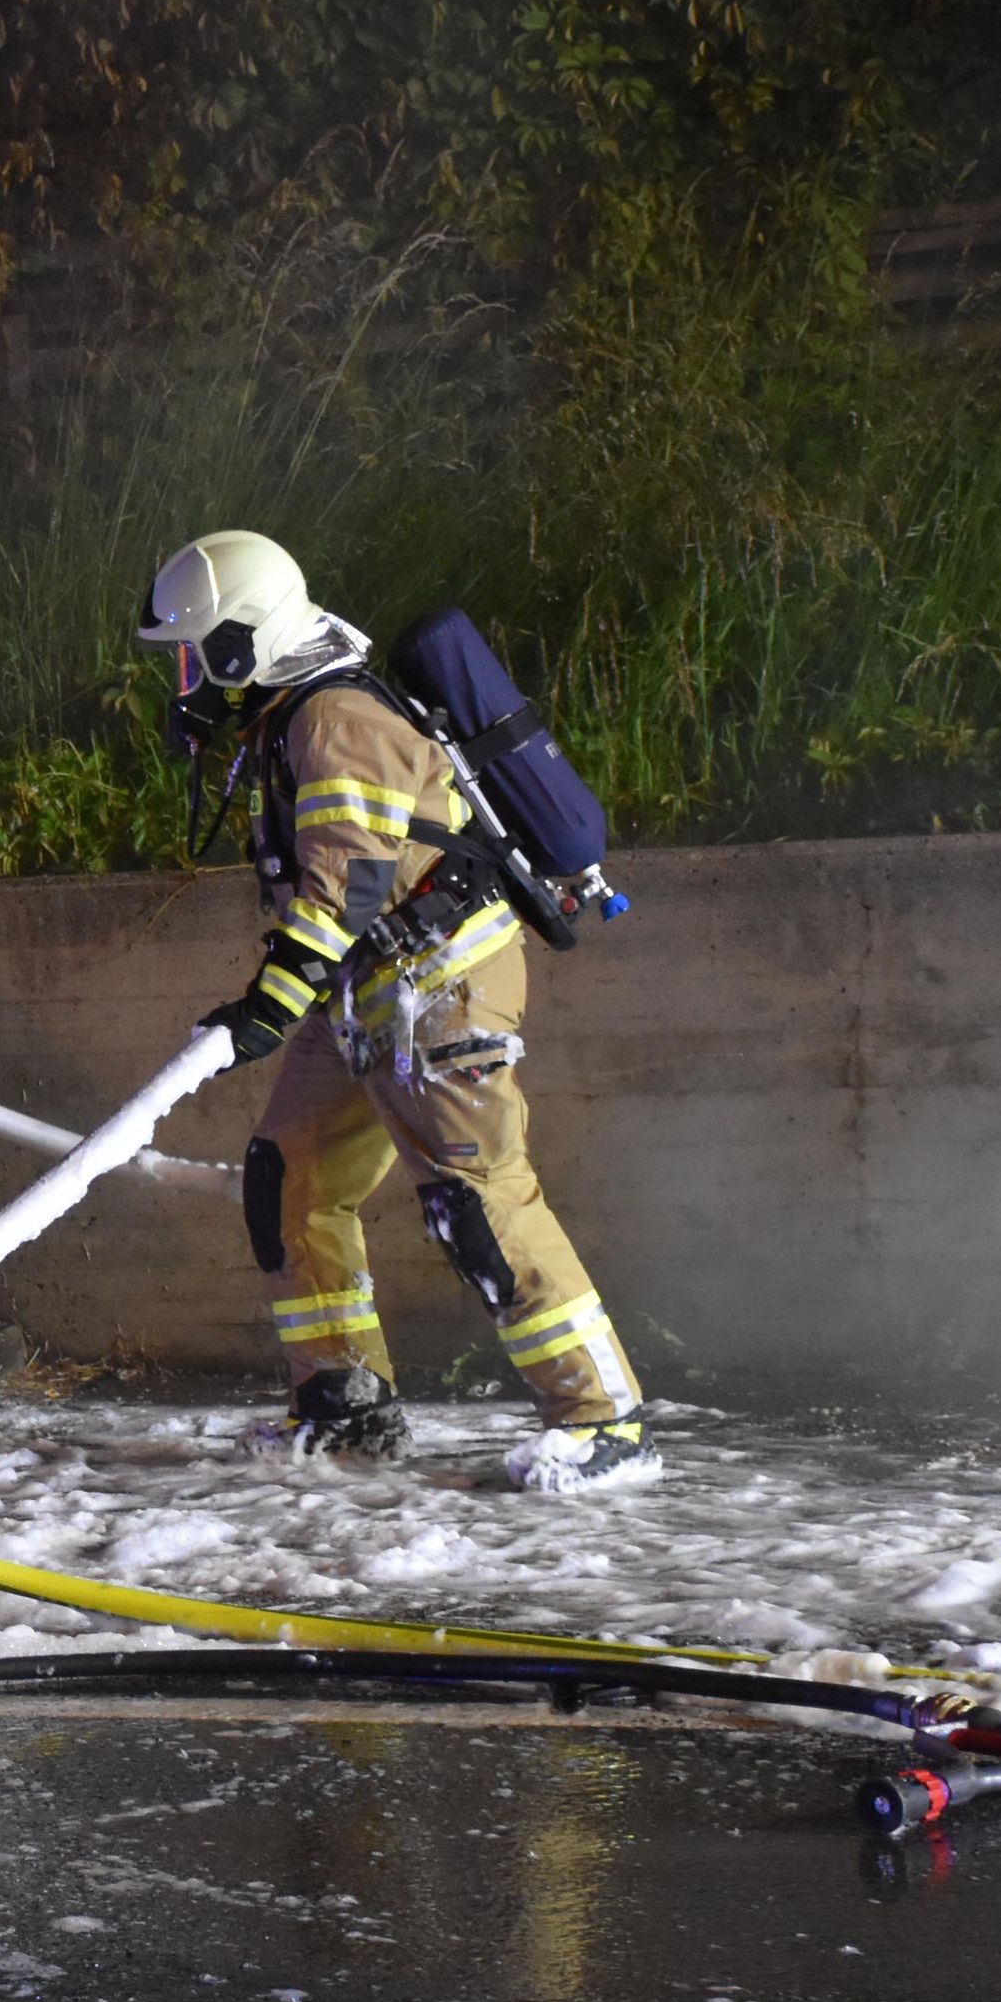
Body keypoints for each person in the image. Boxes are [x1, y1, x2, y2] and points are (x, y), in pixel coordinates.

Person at [137, 528, 655, 1494]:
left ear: (240, 644)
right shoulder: (293, 714)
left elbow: (350, 883)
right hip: (372, 989)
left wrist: (268, 1005)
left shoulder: (333, 716)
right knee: (290, 1172)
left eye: (189, 654)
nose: (184, 680)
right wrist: (285, 998)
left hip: (438, 985)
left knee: (477, 1194)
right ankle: (346, 1403)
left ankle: (605, 1420)